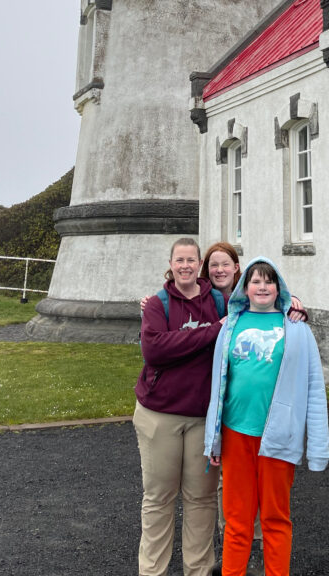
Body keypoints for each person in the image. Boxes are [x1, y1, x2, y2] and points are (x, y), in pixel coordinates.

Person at [204, 257, 329, 576]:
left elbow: (314, 389)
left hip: (278, 437)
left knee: (275, 518)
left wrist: (317, 447)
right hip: (236, 435)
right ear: (244, 288)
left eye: (269, 281)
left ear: (279, 288)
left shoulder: (297, 329)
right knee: (237, 520)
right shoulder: (231, 326)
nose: (262, 286)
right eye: (255, 281)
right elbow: (218, 384)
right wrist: (213, 440)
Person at [134, 237, 224, 576]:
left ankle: (198, 571)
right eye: (179, 260)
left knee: (201, 501)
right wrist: (210, 333)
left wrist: (295, 303)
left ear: (199, 264)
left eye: (191, 260)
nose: (185, 265)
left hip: (202, 418)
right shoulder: (158, 304)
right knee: (159, 498)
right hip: (160, 416)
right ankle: (152, 571)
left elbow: (261, 299)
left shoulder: (219, 301)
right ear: (170, 264)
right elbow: (154, 350)